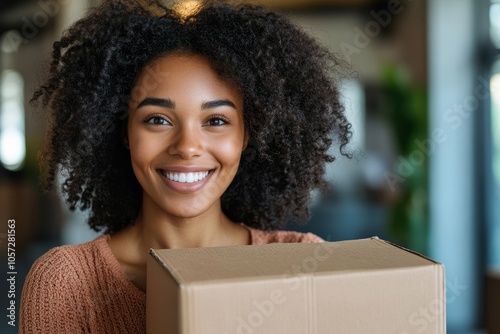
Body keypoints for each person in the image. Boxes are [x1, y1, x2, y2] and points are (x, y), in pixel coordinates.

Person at [19, 0, 351, 332]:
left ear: (247, 135)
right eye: (158, 119)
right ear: (123, 132)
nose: (187, 147)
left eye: (217, 120)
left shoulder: (301, 261)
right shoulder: (66, 284)